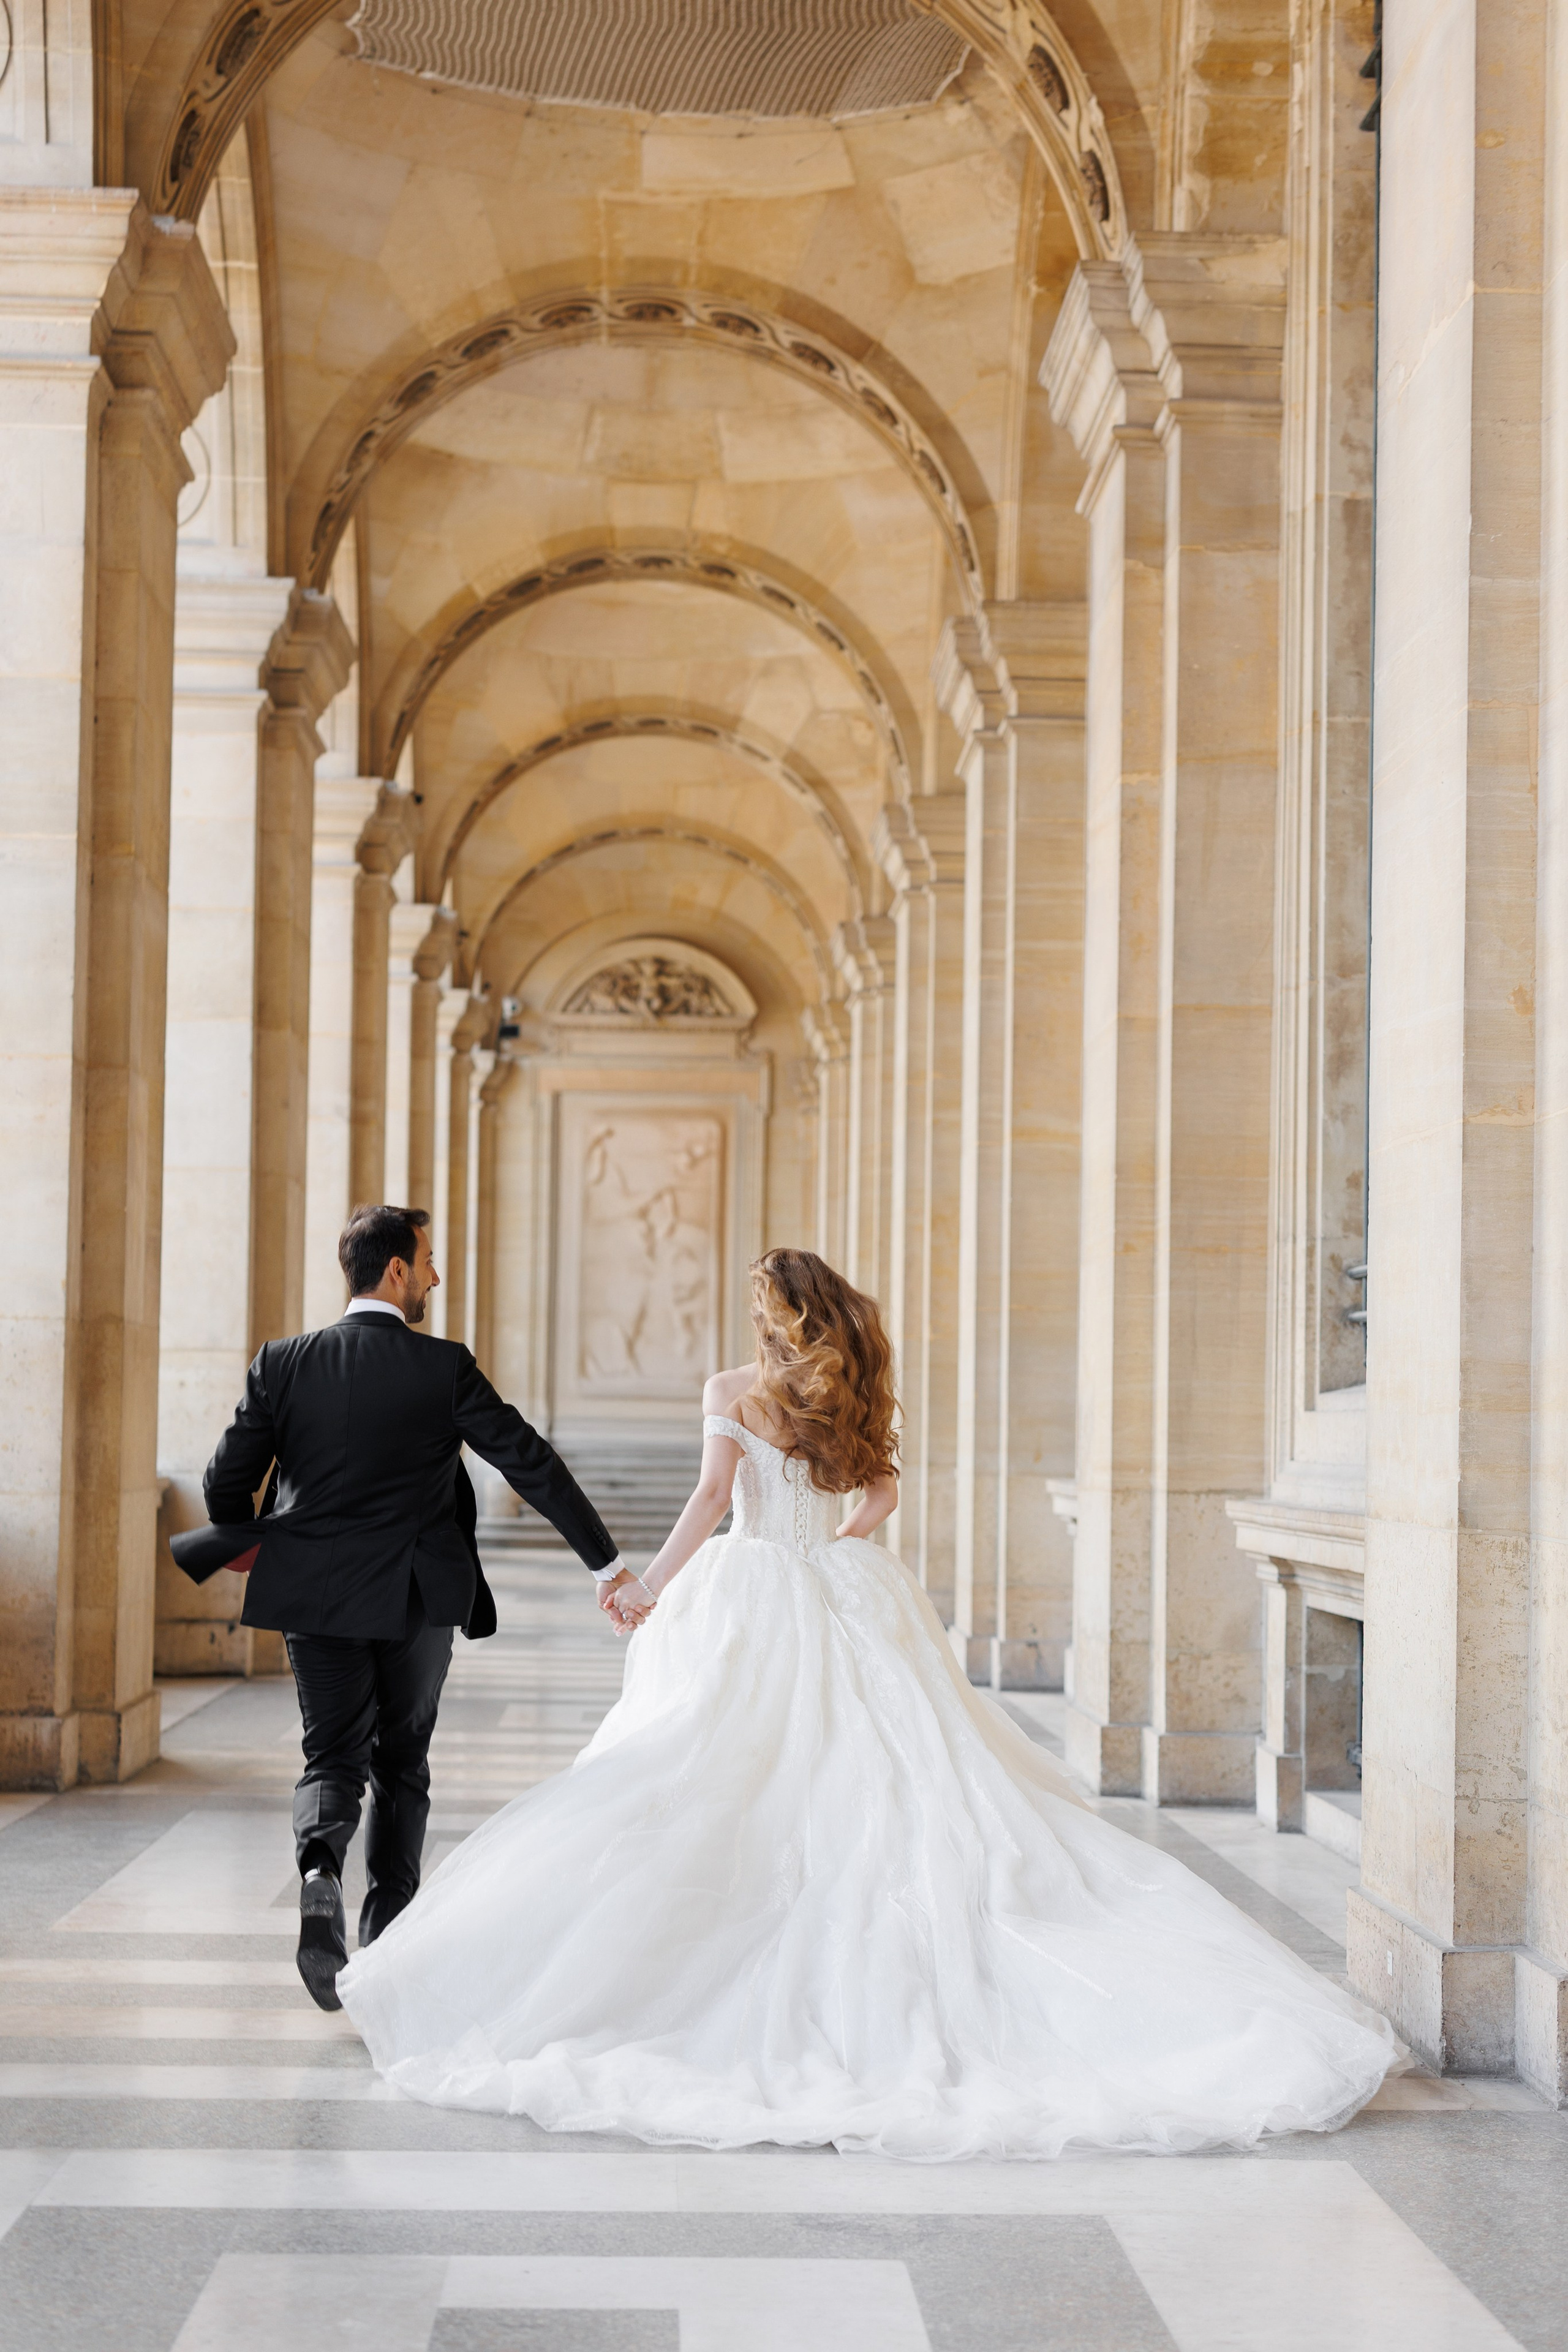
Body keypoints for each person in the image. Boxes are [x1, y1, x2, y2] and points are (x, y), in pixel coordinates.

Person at [336, 1246, 1401, 2159]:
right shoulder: (835, 1395)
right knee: (894, 1772)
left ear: (770, 1309)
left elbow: (713, 1498)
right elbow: (882, 1491)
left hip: (753, 1589)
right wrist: (839, 1550)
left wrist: (646, 1585)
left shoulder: (731, 1392)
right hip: (839, 1590)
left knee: (711, 1766)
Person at [170, 1204, 638, 2010]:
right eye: (427, 1260)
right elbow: (530, 1462)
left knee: (331, 1757)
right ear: (395, 1270)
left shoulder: (282, 1362)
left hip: (313, 1596)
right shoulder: (442, 1367)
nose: (436, 1275)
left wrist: (276, 1540)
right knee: (402, 1760)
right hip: (417, 1599)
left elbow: (221, 1489)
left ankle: (319, 1877)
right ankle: (388, 1933)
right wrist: (608, 1562)